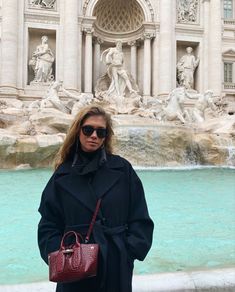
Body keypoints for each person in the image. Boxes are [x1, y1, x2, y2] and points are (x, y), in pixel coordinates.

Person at [37, 105, 154, 292]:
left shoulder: (123, 170)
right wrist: (59, 253)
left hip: (115, 265)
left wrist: (128, 251)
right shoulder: (61, 176)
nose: (94, 136)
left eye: (101, 132)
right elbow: (48, 224)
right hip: (74, 265)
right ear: (78, 131)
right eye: (88, 129)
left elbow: (140, 215)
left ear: (106, 137)